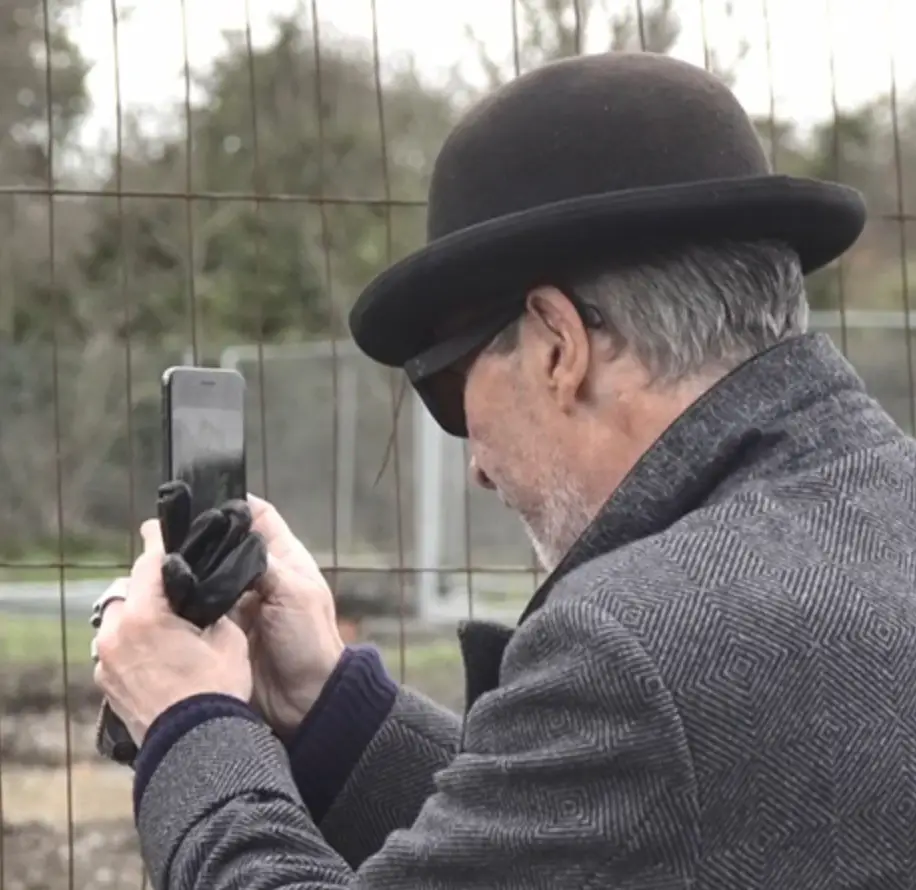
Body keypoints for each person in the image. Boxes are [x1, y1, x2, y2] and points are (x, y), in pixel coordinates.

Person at [91, 52, 916, 889]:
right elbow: (577, 839)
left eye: (448, 389)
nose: (476, 466)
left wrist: (188, 720)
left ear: (560, 344)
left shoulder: (634, 648)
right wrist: (330, 708)